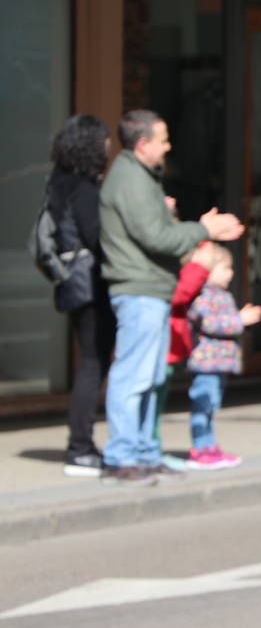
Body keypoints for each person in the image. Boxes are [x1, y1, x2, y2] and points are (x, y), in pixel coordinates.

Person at [100, 109, 244, 486]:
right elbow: (155, 238)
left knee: (149, 377)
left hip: (151, 289)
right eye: (163, 139)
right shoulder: (131, 179)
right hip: (140, 289)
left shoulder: (140, 177)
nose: (168, 147)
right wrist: (202, 229)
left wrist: (196, 227)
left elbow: (158, 232)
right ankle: (122, 455)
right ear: (143, 143)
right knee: (134, 376)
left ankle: (144, 452)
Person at [45, 115, 117, 476]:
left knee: (89, 362)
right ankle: (80, 447)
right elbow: (97, 237)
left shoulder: (58, 182)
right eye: (104, 140)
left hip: (72, 284)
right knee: (93, 364)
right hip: (90, 285)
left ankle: (81, 445)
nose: (108, 147)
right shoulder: (84, 189)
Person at [185, 244, 261, 469]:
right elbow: (209, 323)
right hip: (207, 363)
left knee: (211, 405)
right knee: (203, 404)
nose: (231, 273)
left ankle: (209, 446)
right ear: (208, 270)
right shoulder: (204, 296)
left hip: (219, 363)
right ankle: (200, 447)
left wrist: (243, 322)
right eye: (226, 268)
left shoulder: (222, 295)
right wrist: (240, 320)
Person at [148, 242, 217, 470]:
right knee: (151, 403)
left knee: (156, 402)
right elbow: (178, 293)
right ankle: (149, 450)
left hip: (169, 345)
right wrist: (200, 266)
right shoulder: (171, 268)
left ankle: (151, 448)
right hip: (161, 344)